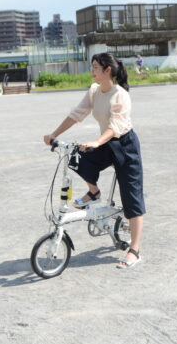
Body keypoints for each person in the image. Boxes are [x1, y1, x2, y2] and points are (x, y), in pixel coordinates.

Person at [43, 52, 146, 268]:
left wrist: (97, 142)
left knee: (131, 196)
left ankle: (134, 250)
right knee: (76, 156)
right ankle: (94, 192)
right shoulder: (94, 91)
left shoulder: (120, 95)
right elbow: (76, 114)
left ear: (107, 70)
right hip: (105, 142)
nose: (92, 71)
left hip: (125, 145)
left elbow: (116, 127)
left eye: (95, 67)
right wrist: (54, 135)